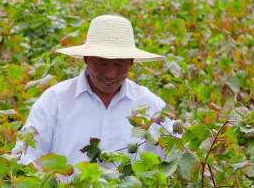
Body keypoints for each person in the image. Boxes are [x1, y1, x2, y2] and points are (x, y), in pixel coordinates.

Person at [13, 15, 168, 167]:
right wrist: (50, 178)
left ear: (131, 62)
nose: (110, 73)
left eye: (119, 63)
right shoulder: (55, 100)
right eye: (102, 63)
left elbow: (171, 155)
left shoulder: (150, 104)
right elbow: (25, 155)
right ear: (86, 59)